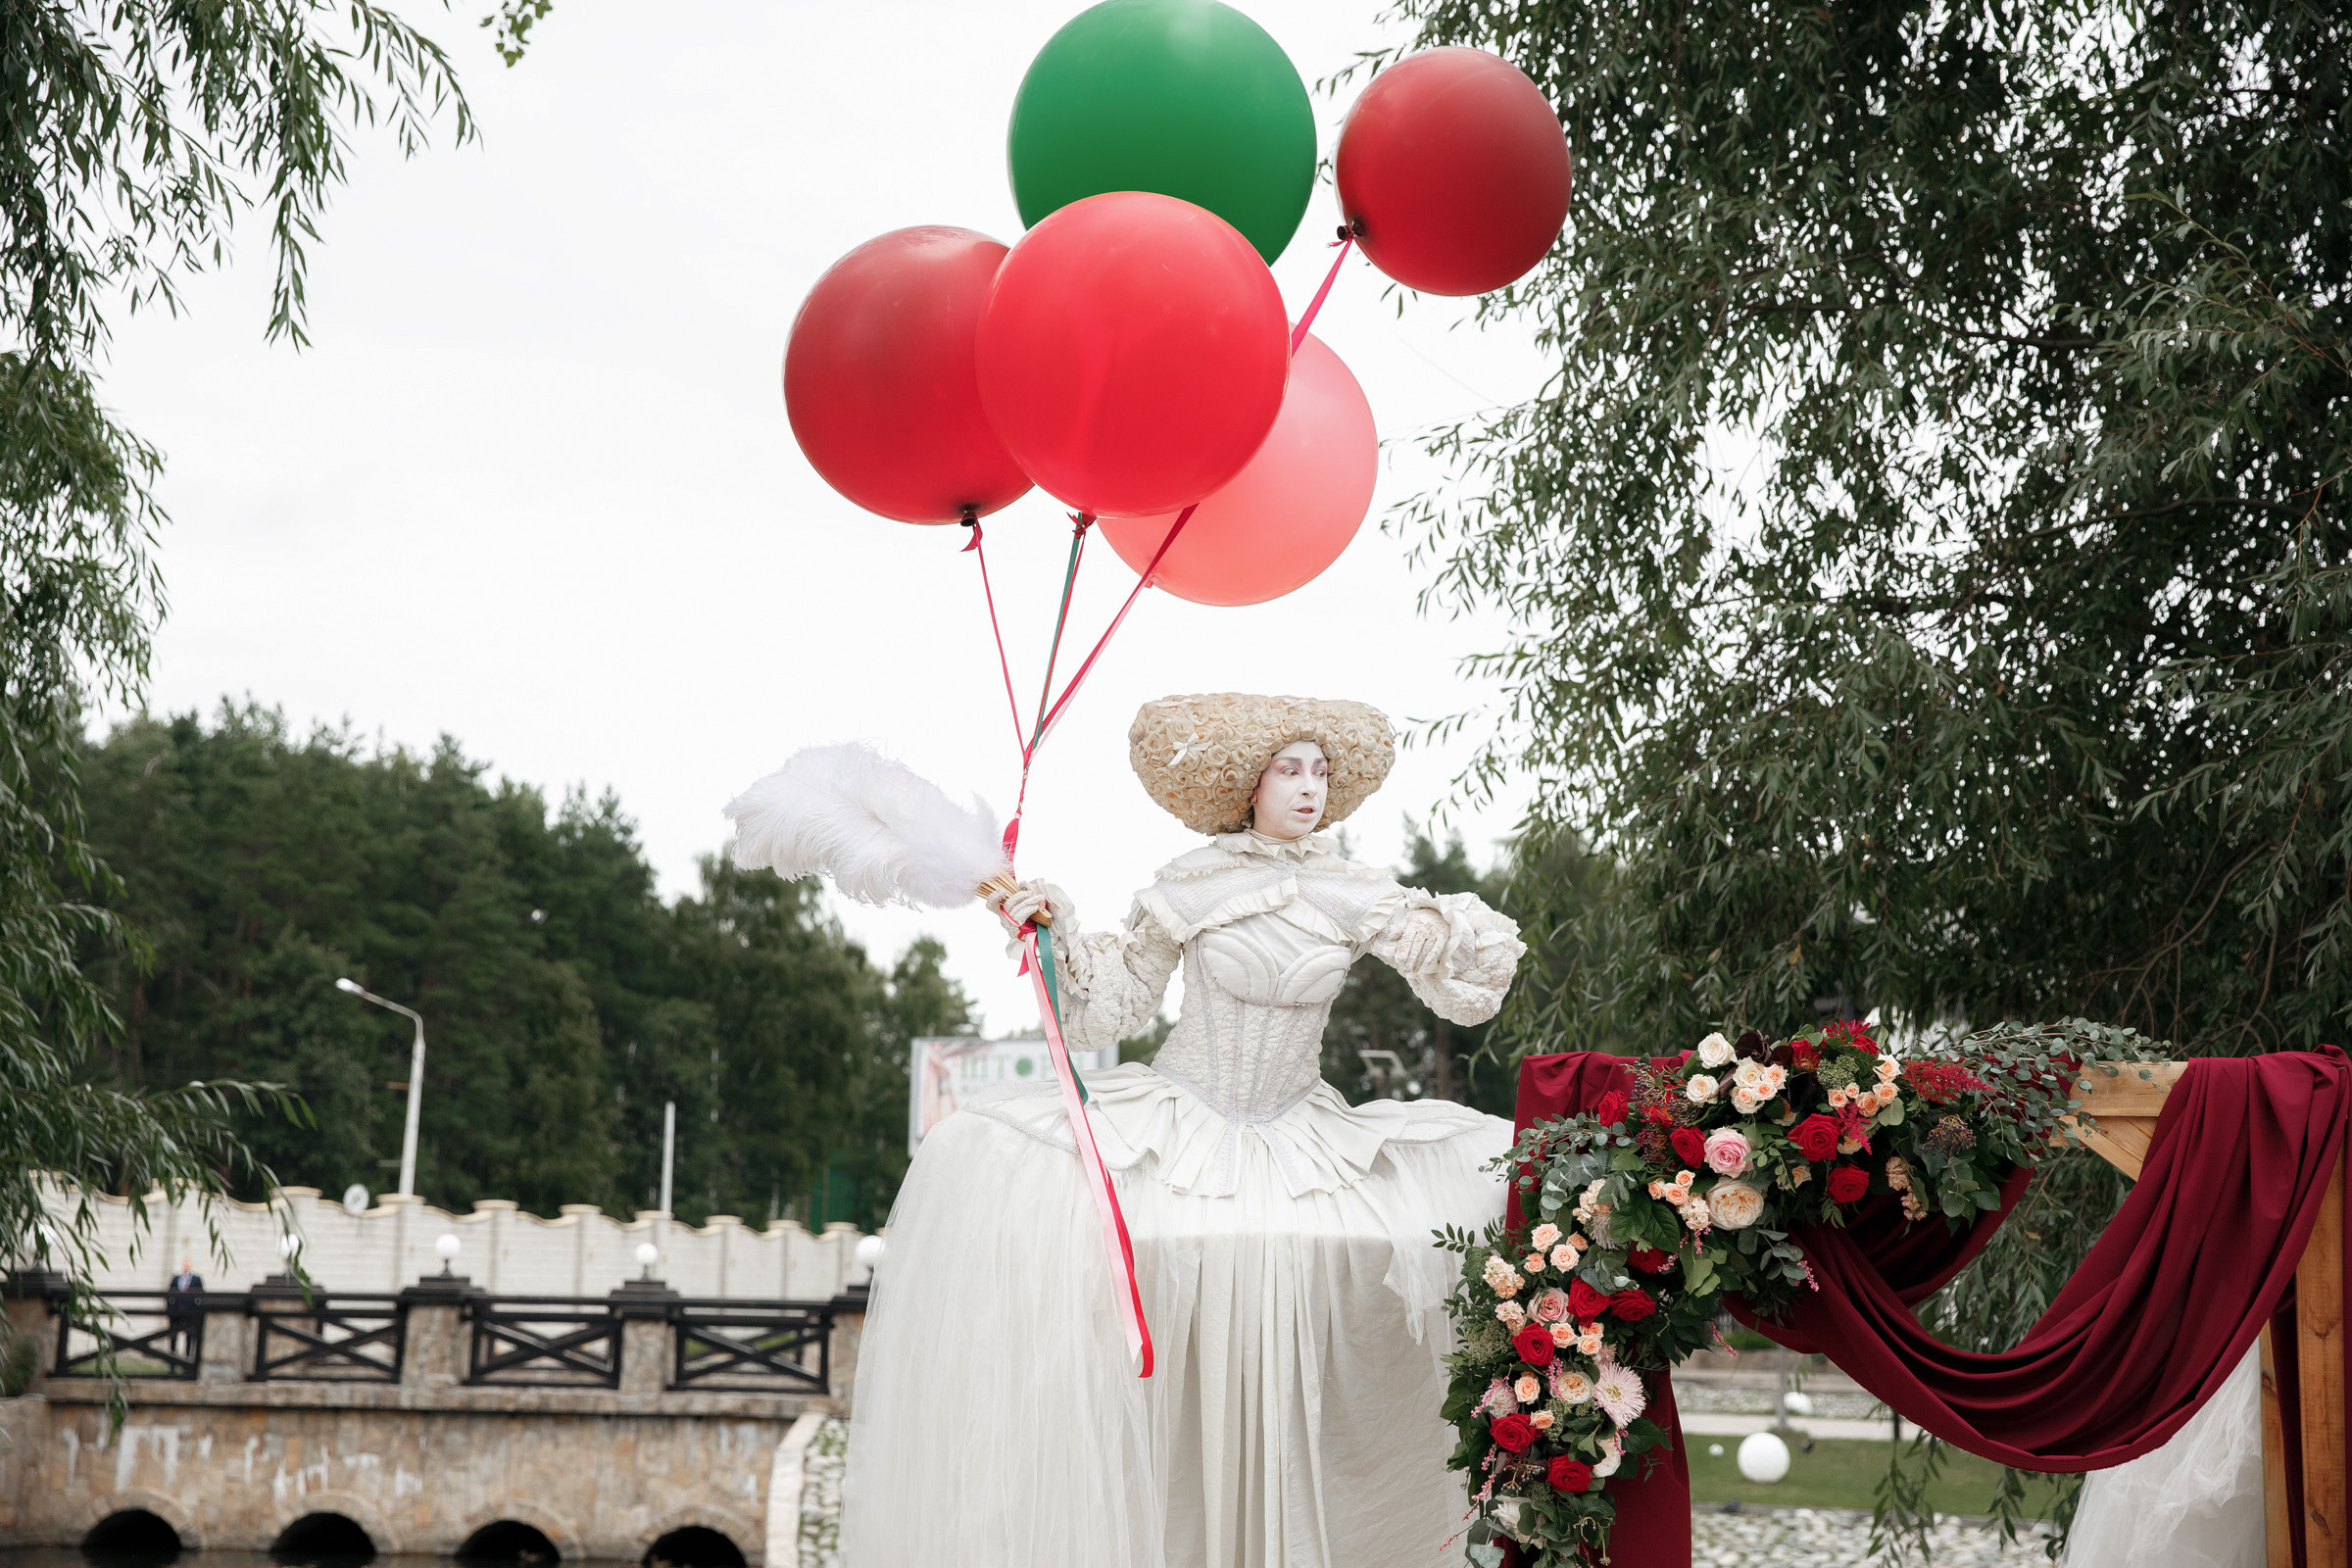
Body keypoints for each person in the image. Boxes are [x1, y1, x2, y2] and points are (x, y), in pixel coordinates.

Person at [841, 694, 1523, 1568]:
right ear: (1251, 786)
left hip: (1304, 1137)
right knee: (998, 1170)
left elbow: (1466, 981)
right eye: (1291, 769)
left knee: (1477, 1178)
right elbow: (1110, 1004)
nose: (1311, 788)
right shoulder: (1191, 887)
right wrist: (1053, 938)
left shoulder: (1358, 894)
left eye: (1322, 771)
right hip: (1179, 1126)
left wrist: (1453, 930)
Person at [165, 1257, 204, 1359]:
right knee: (173, 1336)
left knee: (190, 1337)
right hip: (176, 1313)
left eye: (188, 1264)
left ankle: (187, 1359)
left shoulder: (196, 1279)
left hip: (190, 1313)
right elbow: (168, 1294)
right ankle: (172, 1360)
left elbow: (202, 1295)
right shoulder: (176, 1278)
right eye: (185, 1264)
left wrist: (196, 1309)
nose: (186, 1266)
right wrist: (170, 1309)